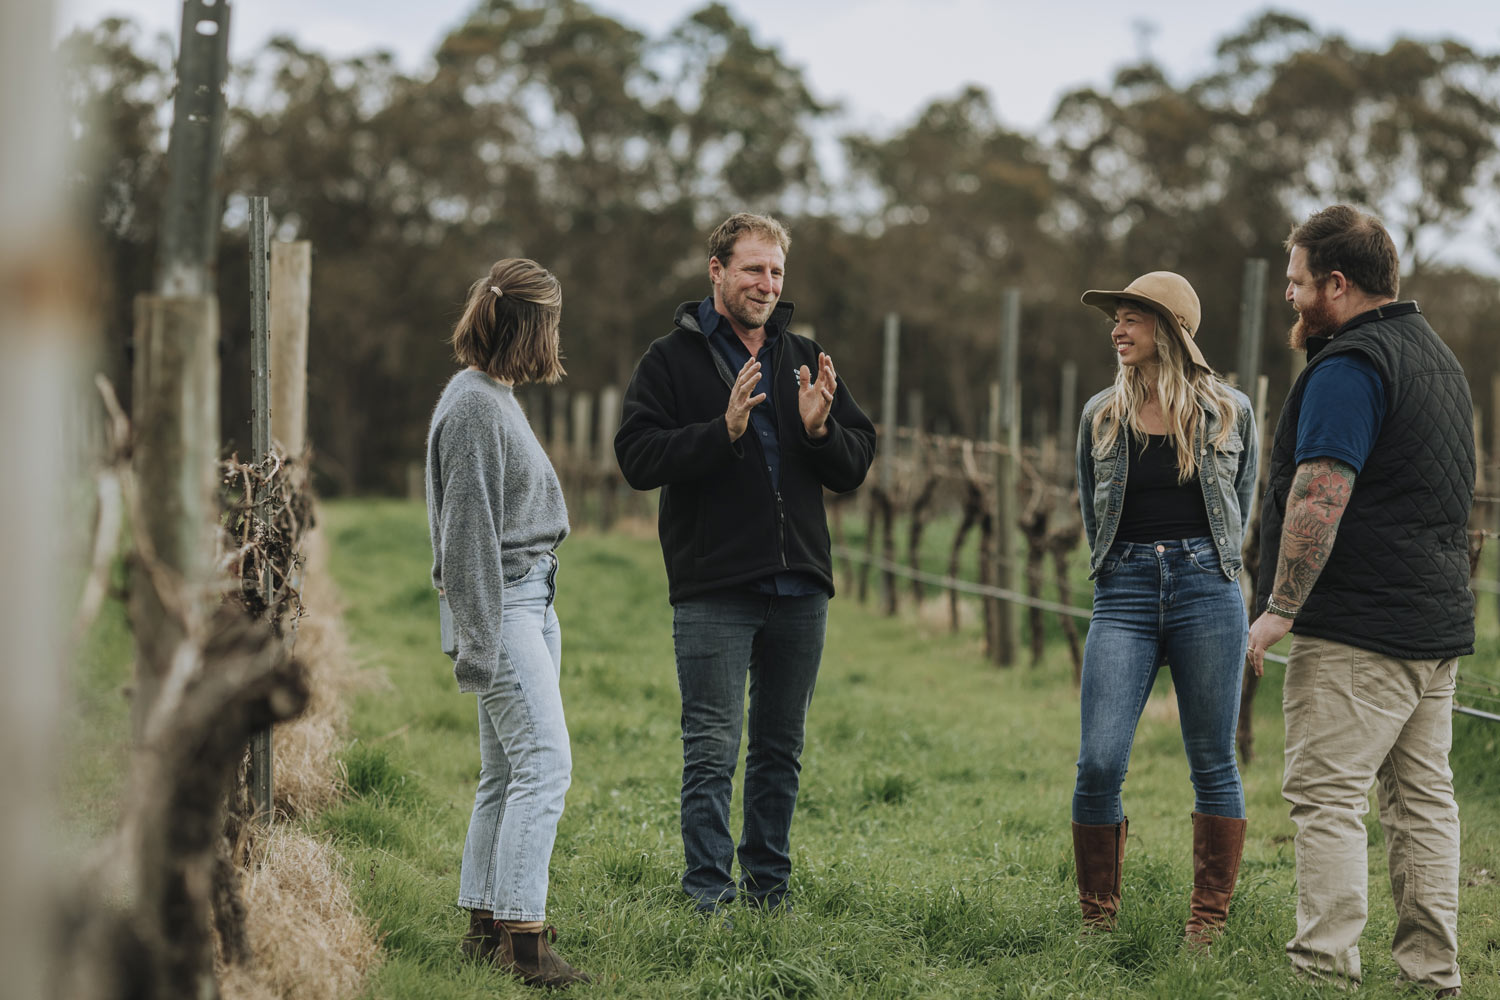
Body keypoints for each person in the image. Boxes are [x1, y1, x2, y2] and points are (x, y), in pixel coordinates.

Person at [613, 213, 876, 917]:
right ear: (717, 271)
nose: (767, 283)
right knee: (711, 751)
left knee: (779, 752)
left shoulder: (804, 354)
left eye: (777, 271)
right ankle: (707, 898)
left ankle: (770, 894)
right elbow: (636, 457)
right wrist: (720, 433)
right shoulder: (668, 361)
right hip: (713, 589)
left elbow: (855, 461)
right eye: (754, 269)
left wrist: (820, 429)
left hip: (800, 590)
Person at [1246, 205, 1473, 997]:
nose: (1290, 297)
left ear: (1337, 285)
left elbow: (1320, 494)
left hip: (1358, 629)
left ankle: (1323, 970)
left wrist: (1280, 606)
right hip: (1434, 625)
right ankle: (1431, 975)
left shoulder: (1349, 366)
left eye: (1298, 282)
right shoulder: (1438, 359)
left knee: (1327, 796)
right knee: (1422, 803)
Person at [1073, 271, 1258, 944]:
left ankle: (1207, 922)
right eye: (1115, 319)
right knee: (1098, 760)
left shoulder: (1230, 409)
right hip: (1122, 591)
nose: (1118, 330)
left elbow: (1244, 494)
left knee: (1213, 759)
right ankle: (1098, 920)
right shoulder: (1100, 413)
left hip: (1207, 589)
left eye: (1133, 318)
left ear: (1172, 329)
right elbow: (1093, 507)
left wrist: (1212, 565)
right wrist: (1117, 566)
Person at [424, 258, 590, 989]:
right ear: (532, 325)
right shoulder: (473, 408)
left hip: (531, 600)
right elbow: (464, 542)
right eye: (553, 322)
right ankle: (527, 942)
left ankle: (486, 924)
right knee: (546, 765)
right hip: (506, 607)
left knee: (503, 772)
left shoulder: (490, 395)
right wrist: (482, 646)